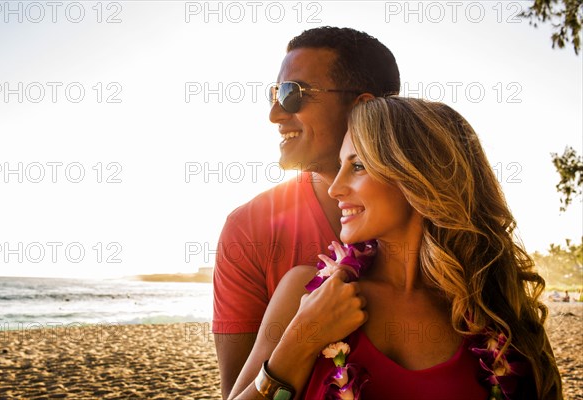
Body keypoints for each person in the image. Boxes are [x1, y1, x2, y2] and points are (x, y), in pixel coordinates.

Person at [227, 97, 563, 399]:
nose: (336, 189)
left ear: (418, 176)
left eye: (357, 166)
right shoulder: (306, 294)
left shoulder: (498, 313)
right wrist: (300, 340)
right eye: (341, 165)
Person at [212, 26, 400, 398]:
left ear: (362, 106)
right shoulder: (249, 229)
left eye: (292, 94)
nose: (274, 114)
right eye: (274, 93)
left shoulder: (438, 225)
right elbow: (236, 391)